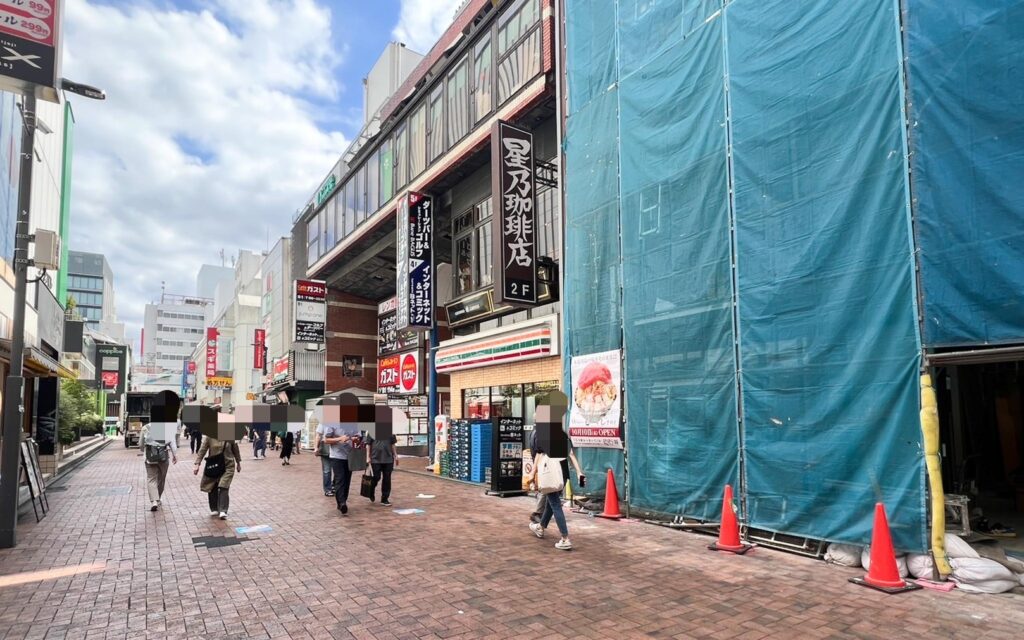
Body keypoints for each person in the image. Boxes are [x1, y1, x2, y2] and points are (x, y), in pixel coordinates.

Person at [527, 428, 580, 551]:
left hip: (550, 473)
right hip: (563, 473)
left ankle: (565, 538)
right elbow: (570, 454)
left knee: (555, 503)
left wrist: (532, 473)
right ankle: (541, 526)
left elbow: (539, 454)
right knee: (552, 502)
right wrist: (579, 472)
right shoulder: (561, 433)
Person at [193, 434, 242, 519]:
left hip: (228, 465)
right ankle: (214, 508)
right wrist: (197, 464)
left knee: (223, 485)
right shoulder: (210, 437)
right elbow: (203, 449)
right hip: (214, 464)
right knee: (212, 485)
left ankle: (223, 510)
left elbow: (235, 449)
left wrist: (238, 463)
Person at [140, 422, 178, 511]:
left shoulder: (146, 427)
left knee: (151, 478)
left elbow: (141, 444)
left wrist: (144, 450)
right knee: (161, 478)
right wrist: (174, 455)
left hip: (150, 457)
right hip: (163, 457)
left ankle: (154, 501)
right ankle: (158, 497)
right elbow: (172, 442)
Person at [322, 421, 358, 515]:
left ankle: (343, 501)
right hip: (336, 456)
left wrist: (356, 439)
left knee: (347, 479)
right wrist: (339, 439)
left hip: (349, 455)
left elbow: (358, 437)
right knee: (340, 478)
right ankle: (342, 503)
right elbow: (325, 440)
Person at [364, 430, 398, 505]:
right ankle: (371, 490)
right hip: (375, 459)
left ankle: (384, 498)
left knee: (387, 479)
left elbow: (393, 444)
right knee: (376, 477)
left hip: (388, 459)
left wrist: (395, 455)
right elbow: (368, 445)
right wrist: (368, 457)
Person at [312, 412, 333, 497]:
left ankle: (332, 486)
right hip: (326, 449)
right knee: (327, 470)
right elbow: (318, 435)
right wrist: (316, 447)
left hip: (337, 449)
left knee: (337, 470)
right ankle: (328, 489)